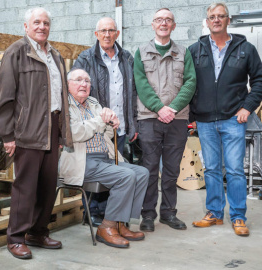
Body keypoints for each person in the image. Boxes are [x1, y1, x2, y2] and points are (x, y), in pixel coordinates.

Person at [0, 7, 72, 259]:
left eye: (46, 23)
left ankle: (38, 231)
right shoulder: (17, 52)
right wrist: (7, 135)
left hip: (52, 128)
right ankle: (16, 237)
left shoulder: (55, 54)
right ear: (26, 27)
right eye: (36, 22)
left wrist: (61, 134)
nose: (41, 27)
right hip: (27, 130)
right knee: (25, 187)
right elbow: (4, 97)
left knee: (48, 186)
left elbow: (61, 97)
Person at [189, 2, 262, 236]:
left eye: (221, 16)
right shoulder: (195, 50)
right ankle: (215, 213)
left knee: (234, 171)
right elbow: (187, 84)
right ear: (207, 21)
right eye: (212, 17)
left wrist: (247, 108)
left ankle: (239, 216)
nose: (217, 20)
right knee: (211, 169)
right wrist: (192, 114)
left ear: (228, 20)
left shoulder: (245, 48)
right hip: (205, 120)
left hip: (234, 119)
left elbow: (259, 80)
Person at [59, 69, 148, 248]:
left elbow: (105, 133)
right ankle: (106, 227)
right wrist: (100, 121)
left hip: (103, 157)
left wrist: (112, 123)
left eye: (87, 81)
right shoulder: (64, 107)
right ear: (68, 85)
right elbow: (74, 133)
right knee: (125, 176)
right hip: (81, 161)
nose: (84, 84)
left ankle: (120, 224)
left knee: (141, 172)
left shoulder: (93, 103)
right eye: (78, 80)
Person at [134, 8, 196, 232]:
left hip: (177, 119)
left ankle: (169, 214)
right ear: (153, 25)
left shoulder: (183, 52)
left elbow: (190, 83)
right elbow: (141, 84)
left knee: (171, 170)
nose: (163, 23)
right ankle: (148, 215)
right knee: (149, 169)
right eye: (159, 20)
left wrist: (173, 108)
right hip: (150, 118)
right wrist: (160, 108)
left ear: (174, 26)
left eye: (168, 20)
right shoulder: (141, 52)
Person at [72, 17, 138, 226]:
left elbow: (133, 92)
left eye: (111, 31)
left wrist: (132, 123)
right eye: (103, 31)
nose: (107, 35)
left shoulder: (126, 58)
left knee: (114, 171)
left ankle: (112, 216)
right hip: (95, 124)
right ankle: (92, 214)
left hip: (120, 127)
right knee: (95, 165)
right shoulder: (86, 57)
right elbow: (76, 84)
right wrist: (98, 117)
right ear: (96, 34)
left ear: (117, 33)